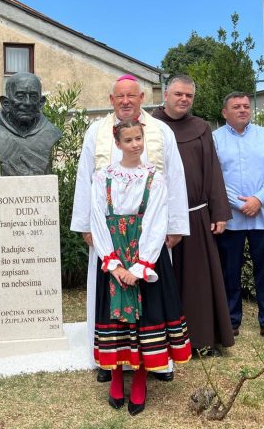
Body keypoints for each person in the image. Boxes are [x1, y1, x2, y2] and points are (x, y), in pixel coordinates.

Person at [71, 74, 189, 383]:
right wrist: (85, 224)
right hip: (109, 236)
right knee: (110, 296)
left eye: (131, 95)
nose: (125, 101)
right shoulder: (96, 132)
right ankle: (109, 360)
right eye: (119, 96)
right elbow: (85, 177)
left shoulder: (161, 131)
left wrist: (176, 224)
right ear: (111, 100)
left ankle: (157, 360)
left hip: (151, 233)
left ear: (141, 98)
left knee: (153, 297)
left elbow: (175, 178)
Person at [91, 119, 192, 416]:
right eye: (129, 140)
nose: (135, 144)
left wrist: (139, 267)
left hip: (145, 253)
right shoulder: (102, 178)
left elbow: (156, 221)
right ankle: (115, 376)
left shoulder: (154, 178)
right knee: (116, 320)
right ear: (117, 143)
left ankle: (139, 380)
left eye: (138, 138)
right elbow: (97, 218)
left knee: (146, 317)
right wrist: (113, 263)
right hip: (113, 255)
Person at [152, 75, 234, 355]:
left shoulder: (201, 128)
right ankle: (162, 340)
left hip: (195, 215)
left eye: (189, 95)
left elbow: (212, 169)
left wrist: (219, 211)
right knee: (164, 279)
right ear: (166, 94)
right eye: (178, 94)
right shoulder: (150, 126)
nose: (184, 99)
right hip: (159, 217)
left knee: (198, 281)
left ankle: (200, 339)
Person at [213, 92, 264, 346]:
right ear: (225, 112)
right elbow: (213, 178)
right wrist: (239, 204)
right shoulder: (215, 139)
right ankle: (230, 322)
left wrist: (259, 199)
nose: (243, 110)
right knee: (229, 273)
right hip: (230, 219)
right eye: (236, 106)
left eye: (246, 106)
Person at [0, 72, 61, 176]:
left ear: (41, 103)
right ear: (6, 103)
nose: (27, 103)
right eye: (20, 97)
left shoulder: (51, 133)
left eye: (33, 97)